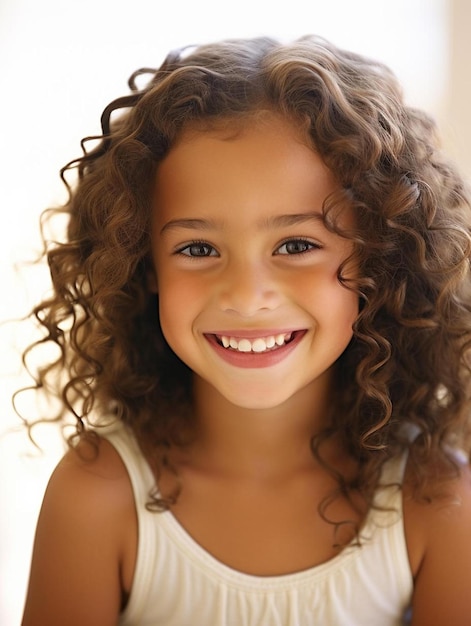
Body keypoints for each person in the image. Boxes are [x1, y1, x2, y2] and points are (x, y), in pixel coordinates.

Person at [20, 35, 471, 626]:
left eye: (296, 245)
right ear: (142, 263)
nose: (246, 296)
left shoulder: (436, 500)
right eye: (199, 247)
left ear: (377, 260)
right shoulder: (97, 498)